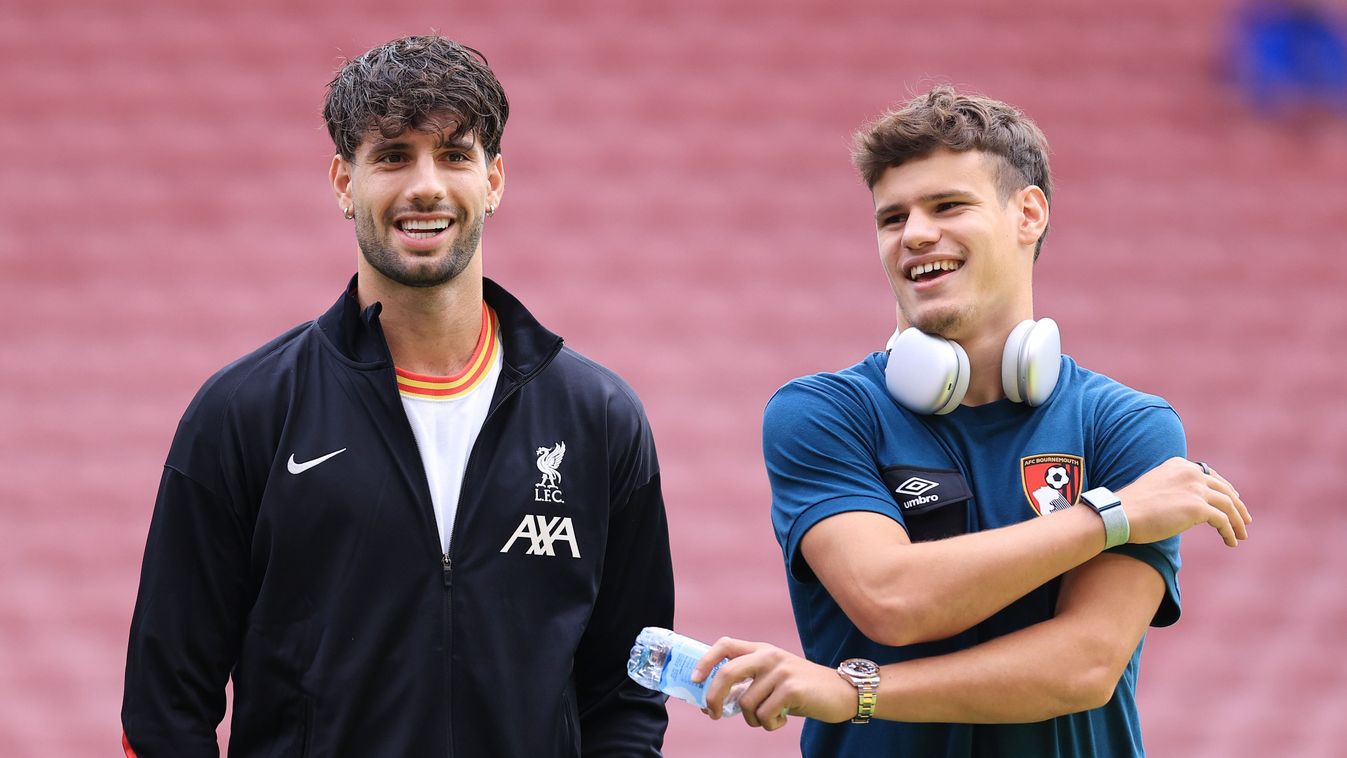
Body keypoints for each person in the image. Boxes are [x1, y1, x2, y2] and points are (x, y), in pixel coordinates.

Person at [121, 35, 674, 757]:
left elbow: (627, 692)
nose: (426, 186)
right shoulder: (243, 412)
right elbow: (164, 708)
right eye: (391, 156)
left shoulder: (598, 417)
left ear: (495, 180)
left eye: (453, 155)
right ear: (344, 183)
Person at [693, 87, 1252, 756]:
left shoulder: (1126, 425)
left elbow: (1082, 666)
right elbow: (892, 599)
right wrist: (1109, 517)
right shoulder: (822, 412)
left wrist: (854, 692)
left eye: (947, 205)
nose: (915, 234)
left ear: (1028, 214)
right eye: (891, 217)